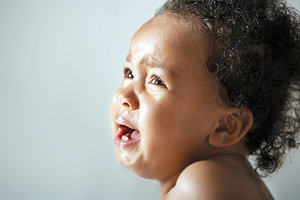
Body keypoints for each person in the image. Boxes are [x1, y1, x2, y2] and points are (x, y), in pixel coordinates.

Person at [110, 0, 300, 199]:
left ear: (225, 126)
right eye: (129, 73)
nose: (123, 96)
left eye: (157, 81)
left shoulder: (204, 183)